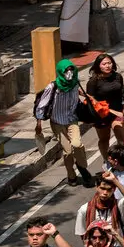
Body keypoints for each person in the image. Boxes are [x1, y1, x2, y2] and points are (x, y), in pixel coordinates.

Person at [33, 58, 92, 186]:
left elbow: (78, 91)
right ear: (60, 71)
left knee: (77, 144)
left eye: (71, 69)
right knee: (68, 151)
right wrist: (39, 124)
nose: (69, 72)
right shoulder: (52, 87)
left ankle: (82, 167)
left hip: (72, 120)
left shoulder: (75, 83)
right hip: (57, 122)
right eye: (66, 70)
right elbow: (41, 106)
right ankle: (71, 175)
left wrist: (89, 97)